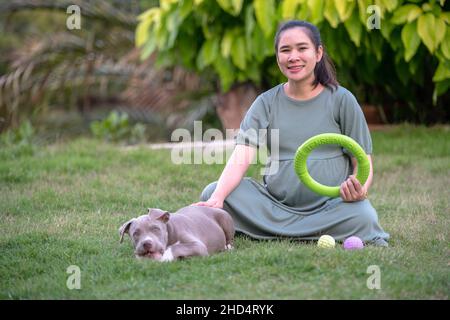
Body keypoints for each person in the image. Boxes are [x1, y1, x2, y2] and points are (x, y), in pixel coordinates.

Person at [193, 20, 389, 246]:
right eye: (285, 50)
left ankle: (274, 232)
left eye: (302, 48)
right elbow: (242, 155)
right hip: (275, 206)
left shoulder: (342, 99)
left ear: (318, 53)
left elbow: (362, 160)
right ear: (278, 58)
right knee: (212, 192)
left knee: (364, 215)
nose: (293, 56)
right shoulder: (265, 102)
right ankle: (291, 229)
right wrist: (218, 198)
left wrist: (359, 189)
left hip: (331, 207)